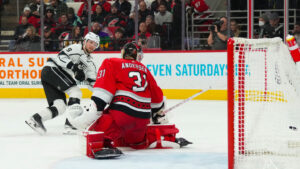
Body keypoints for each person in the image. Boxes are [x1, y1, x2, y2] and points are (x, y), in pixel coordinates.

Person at [67, 42, 191, 158]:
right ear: (138, 55)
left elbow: (103, 92)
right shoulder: (145, 70)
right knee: (133, 140)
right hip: (142, 120)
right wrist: (157, 114)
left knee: (98, 127)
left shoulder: (112, 62)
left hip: (121, 115)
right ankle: (161, 138)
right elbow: (158, 99)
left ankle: (101, 144)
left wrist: (96, 109)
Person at [25, 32, 100, 135]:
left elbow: (91, 82)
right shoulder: (76, 48)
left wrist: (100, 93)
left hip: (52, 75)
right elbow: (61, 57)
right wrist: (73, 67)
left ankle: (36, 119)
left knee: (60, 107)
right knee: (76, 92)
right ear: (85, 41)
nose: (92, 45)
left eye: (95, 44)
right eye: (90, 42)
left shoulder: (90, 64)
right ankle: (72, 124)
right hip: (52, 69)